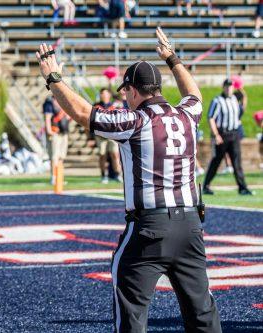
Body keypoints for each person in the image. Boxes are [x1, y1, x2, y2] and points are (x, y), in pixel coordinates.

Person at [36, 27, 221, 332]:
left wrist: (53, 78)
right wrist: (173, 59)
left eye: (126, 92)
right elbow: (194, 95)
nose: (124, 97)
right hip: (191, 226)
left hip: (150, 228)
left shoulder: (135, 121)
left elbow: (83, 113)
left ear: (134, 91)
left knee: (131, 313)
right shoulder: (186, 116)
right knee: (202, 313)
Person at [203, 79, 253, 195]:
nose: (229, 88)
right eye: (227, 86)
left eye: (230, 87)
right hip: (222, 134)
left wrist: (243, 93)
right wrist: (216, 135)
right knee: (216, 161)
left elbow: (241, 111)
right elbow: (210, 118)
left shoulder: (235, 99)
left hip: (234, 134)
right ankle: (206, 186)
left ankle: (242, 187)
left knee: (237, 162)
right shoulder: (217, 101)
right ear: (223, 87)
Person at [88, 88, 121, 183]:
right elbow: (91, 121)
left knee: (115, 154)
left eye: (106, 94)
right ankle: (103, 175)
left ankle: (117, 174)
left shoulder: (115, 106)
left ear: (109, 95)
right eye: (102, 94)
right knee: (102, 155)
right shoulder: (96, 106)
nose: (104, 96)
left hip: (112, 135)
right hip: (100, 136)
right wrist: (90, 137)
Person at [43, 95, 69, 185]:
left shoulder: (63, 103)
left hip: (63, 133)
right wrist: (49, 131)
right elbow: (47, 118)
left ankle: (59, 177)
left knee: (61, 157)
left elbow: (68, 118)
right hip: (55, 133)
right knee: (54, 156)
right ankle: (53, 177)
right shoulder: (49, 103)